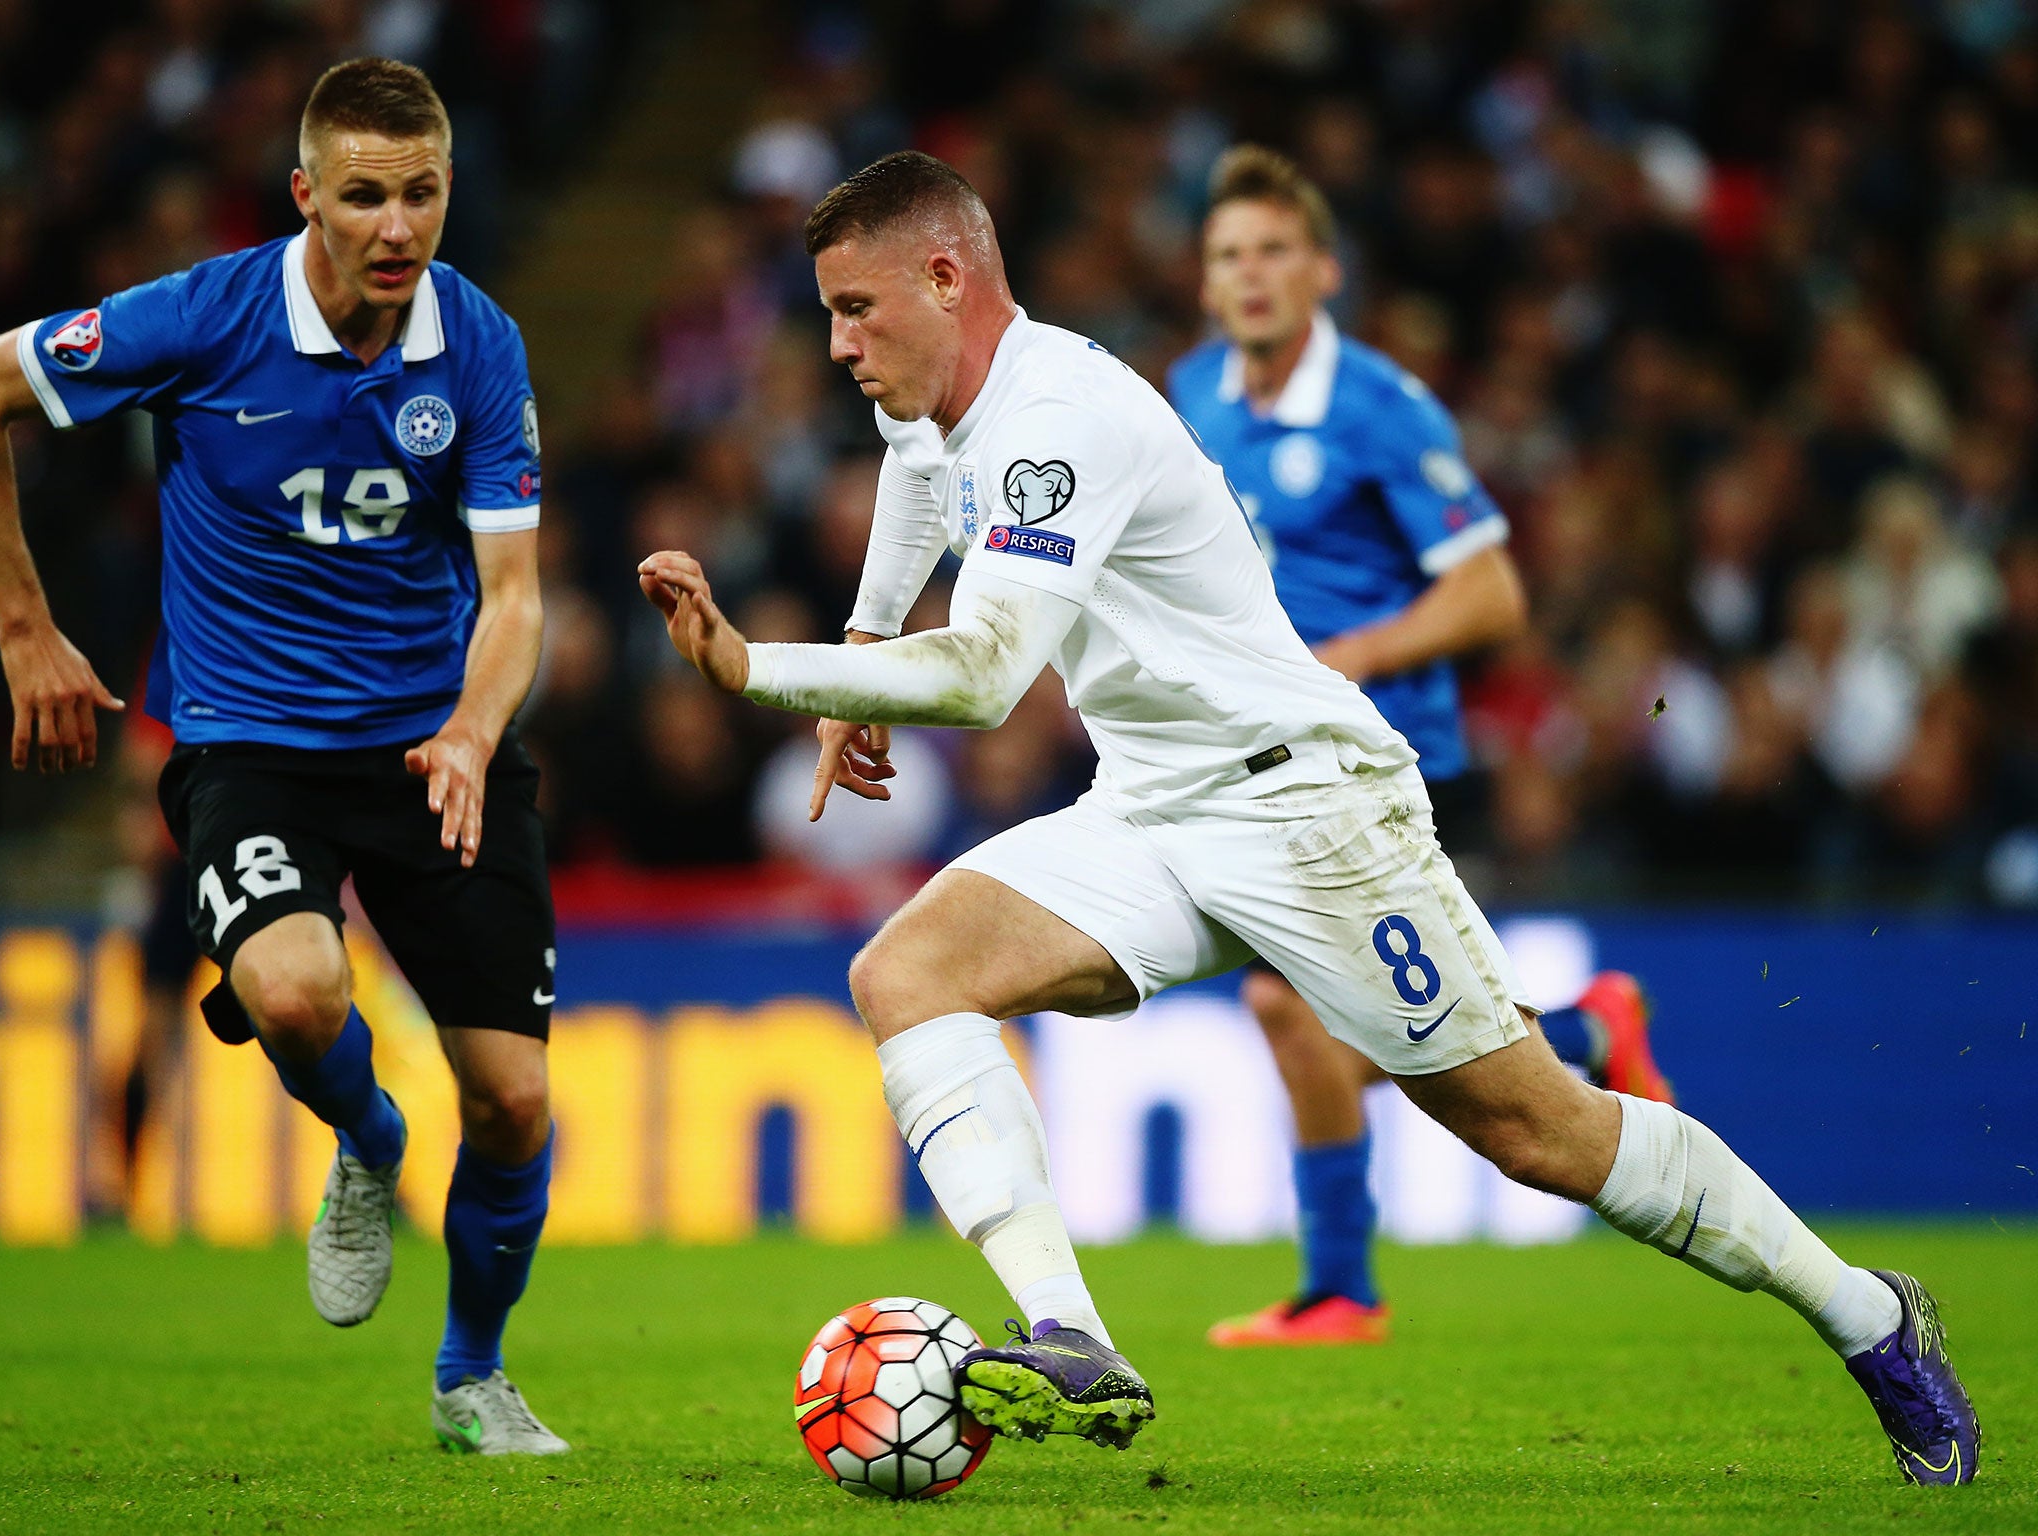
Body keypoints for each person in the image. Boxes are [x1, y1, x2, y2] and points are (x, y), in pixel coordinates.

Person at [641, 150, 1979, 1484]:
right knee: (908, 972)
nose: (836, 344)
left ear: (947, 276)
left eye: (856, 309)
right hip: (1155, 807)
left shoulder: (1063, 418)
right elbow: (920, 478)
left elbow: (989, 679)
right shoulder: (941, 399)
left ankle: (1871, 1318)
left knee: (1537, 1130)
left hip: (1307, 804)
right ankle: (1071, 1334)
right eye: (827, 312)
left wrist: (761, 668)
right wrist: (869, 635)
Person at [0, 58, 567, 1455]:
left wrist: (476, 733)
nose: (396, 226)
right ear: (306, 193)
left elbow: (516, 597)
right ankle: (366, 1142)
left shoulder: (476, 344)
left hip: (433, 746)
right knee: (298, 992)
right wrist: (23, 627)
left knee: (513, 1103)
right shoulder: (204, 317)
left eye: (422, 192)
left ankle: (472, 1378)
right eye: (364, 194)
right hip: (250, 742)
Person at [1168, 145, 1674, 1348]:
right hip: (1257, 756)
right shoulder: (1189, 393)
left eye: (1272, 251)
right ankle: (1584, 1035)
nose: (1249, 275)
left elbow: (1491, 593)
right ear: (1202, 282)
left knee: (1303, 1010)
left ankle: (1342, 1284)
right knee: (1312, 1016)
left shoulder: (1378, 409)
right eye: (1226, 255)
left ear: (1322, 272)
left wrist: (1359, 654)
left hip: (1382, 752)